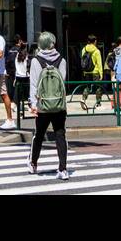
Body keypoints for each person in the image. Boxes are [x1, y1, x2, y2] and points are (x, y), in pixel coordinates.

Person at [28, 31, 69, 179]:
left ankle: (33, 164)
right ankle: (63, 169)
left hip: (42, 104)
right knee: (60, 134)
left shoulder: (36, 61)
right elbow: (62, 83)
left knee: (39, 134)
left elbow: (33, 84)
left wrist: (33, 104)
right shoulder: (61, 60)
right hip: (58, 104)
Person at [80, 34, 104, 110]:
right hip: (95, 72)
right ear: (95, 41)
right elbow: (99, 63)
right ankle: (98, 103)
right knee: (98, 87)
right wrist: (101, 74)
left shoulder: (84, 49)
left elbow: (83, 61)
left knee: (87, 86)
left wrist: (84, 71)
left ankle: (83, 99)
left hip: (86, 72)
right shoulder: (97, 51)